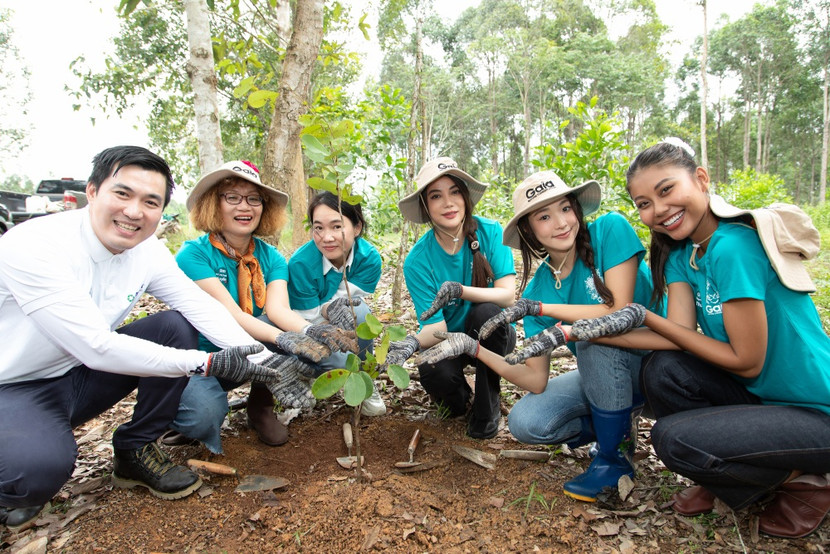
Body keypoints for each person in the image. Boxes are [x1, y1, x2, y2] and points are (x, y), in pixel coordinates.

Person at [0, 146, 298, 532]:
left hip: (78, 375)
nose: (134, 211)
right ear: (92, 191)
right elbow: (95, 346)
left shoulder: (148, 249)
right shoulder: (37, 245)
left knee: (174, 325)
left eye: (151, 201)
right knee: (39, 470)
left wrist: (265, 365)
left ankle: (135, 449)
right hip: (15, 384)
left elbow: (198, 307)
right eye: (122, 194)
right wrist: (205, 363)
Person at [580, 138, 830, 538]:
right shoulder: (683, 256)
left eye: (666, 191)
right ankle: (727, 473)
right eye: (644, 203)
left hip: (816, 413)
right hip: (764, 402)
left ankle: (804, 480)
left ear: (700, 179)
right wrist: (588, 334)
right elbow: (678, 337)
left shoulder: (734, 247)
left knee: (672, 440)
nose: (659, 210)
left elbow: (746, 361)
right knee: (661, 371)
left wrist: (641, 316)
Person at [418, 170, 660, 502]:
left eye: (565, 208)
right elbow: (535, 381)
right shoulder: (539, 287)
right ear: (529, 230)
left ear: (576, 208)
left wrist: (544, 311)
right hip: (606, 377)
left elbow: (617, 313)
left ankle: (613, 460)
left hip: (656, 367)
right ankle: (617, 426)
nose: (561, 222)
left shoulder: (609, 230)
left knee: (592, 337)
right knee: (527, 421)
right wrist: (473, 348)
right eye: (544, 216)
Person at [169, 161, 354, 453]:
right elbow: (229, 315)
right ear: (213, 204)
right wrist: (281, 339)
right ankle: (179, 414)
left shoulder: (272, 258)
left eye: (253, 199)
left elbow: (278, 312)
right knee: (202, 419)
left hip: (249, 353)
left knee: (294, 339)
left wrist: (313, 332)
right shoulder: (193, 255)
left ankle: (260, 407)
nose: (245, 207)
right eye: (232, 197)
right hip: (203, 360)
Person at [393, 157, 516, 439]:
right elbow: (436, 327)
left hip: (491, 334)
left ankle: (488, 404)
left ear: (465, 197)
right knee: (433, 371)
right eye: (436, 196)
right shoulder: (418, 261)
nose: (448, 203)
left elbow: (508, 296)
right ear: (425, 206)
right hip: (448, 341)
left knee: (486, 311)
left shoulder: (491, 232)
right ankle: (464, 399)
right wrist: (411, 343)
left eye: (455, 192)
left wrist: (460, 290)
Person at [287, 191, 385, 416]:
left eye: (336, 227)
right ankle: (312, 375)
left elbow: (350, 302)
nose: (326, 237)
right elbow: (307, 317)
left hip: (342, 322)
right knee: (342, 363)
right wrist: (328, 309)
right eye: (318, 228)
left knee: (358, 310)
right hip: (308, 328)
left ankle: (366, 379)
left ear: (357, 228)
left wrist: (333, 309)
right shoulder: (301, 264)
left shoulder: (369, 258)